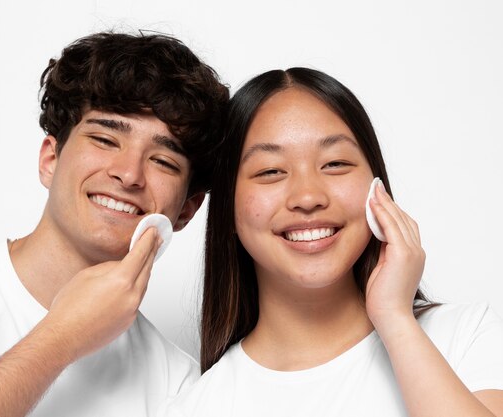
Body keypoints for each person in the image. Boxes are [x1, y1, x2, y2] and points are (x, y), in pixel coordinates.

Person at [0, 32, 228, 417]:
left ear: (187, 210)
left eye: (163, 161)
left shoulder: (180, 388)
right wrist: (62, 336)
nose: (129, 175)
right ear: (50, 159)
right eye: (105, 139)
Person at [161, 67, 503, 416]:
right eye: (270, 171)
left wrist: (394, 318)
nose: (308, 196)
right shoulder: (198, 406)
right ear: (227, 209)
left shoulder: (464, 336)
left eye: (335, 163)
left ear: (378, 186)